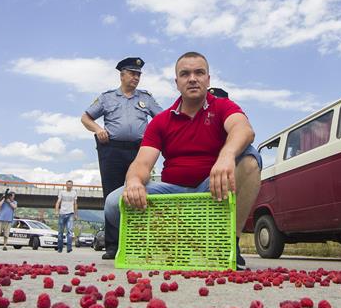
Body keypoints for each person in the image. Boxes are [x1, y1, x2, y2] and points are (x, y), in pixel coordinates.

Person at [103, 52, 261, 270]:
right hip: (173, 195)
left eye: (199, 73)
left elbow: (243, 129)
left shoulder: (223, 107)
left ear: (208, 79)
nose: (193, 78)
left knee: (250, 158)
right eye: (185, 74)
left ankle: (229, 244)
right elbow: (141, 163)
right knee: (114, 202)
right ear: (177, 82)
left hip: (213, 188)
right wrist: (134, 182)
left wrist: (226, 156)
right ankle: (170, 245)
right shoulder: (161, 121)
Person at [82, 57, 163, 259]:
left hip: (140, 151)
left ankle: (139, 242)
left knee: (140, 193)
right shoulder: (107, 98)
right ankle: (113, 245)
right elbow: (86, 117)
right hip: (112, 150)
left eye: (138, 74)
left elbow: (161, 118)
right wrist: (98, 129)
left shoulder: (146, 98)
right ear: (122, 75)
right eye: (132, 73)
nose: (136, 77)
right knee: (112, 195)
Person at [54, 180, 78, 253]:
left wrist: (76, 214)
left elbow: (75, 204)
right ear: (66, 185)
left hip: (70, 213)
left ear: (72, 186)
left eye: (70, 185)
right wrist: (56, 211)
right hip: (62, 214)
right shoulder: (62, 192)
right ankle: (60, 248)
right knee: (60, 232)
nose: (69, 186)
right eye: (68, 185)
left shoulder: (74, 193)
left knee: (70, 231)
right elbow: (58, 202)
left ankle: (69, 248)